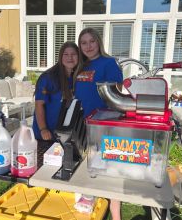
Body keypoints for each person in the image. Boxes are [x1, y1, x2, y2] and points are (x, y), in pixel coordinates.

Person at [74, 28, 123, 220]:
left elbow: (118, 94)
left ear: (99, 42)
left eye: (92, 41)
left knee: (110, 171)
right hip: (83, 124)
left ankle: (116, 213)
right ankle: (89, 204)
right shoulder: (80, 65)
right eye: (84, 43)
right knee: (88, 167)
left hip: (105, 124)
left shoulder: (109, 63)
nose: (88, 46)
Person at [32, 41, 80, 141]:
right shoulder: (48, 77)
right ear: (60, 57)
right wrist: (43, 129)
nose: (70, 58)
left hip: (65, 135)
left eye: (73, 54)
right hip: (46, 135)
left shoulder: (78, 77)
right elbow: (39, 105)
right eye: (66, 54)